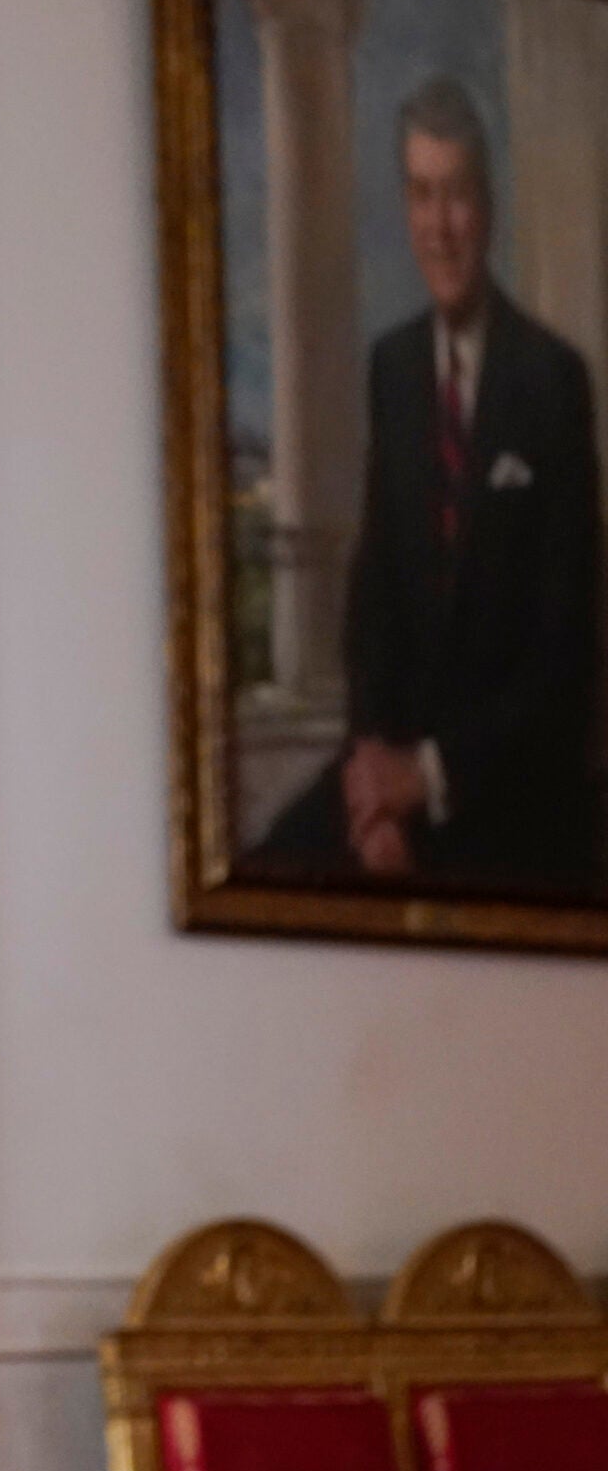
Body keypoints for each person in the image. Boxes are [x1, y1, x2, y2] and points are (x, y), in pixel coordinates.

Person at [255, 76, 601, 891]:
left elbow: (565, 652)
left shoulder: (552, 380)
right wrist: (376, 799)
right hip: (392, 784)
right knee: (267, 870)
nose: (439, 227)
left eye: (456, 196)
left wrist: (430, 778)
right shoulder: (395, 368)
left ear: (488, 206)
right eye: (421, 195)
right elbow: (373, 603)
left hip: (505, 792)